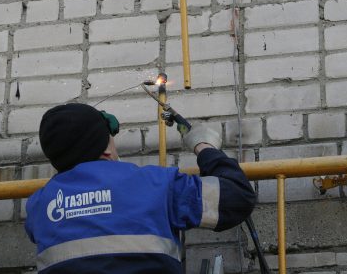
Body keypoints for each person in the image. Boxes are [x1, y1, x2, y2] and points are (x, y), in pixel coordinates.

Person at [25, 103, 256, 274]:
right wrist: (204, 147)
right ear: (105, 148)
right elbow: (237, 197)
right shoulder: (156, 185)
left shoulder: (38, 207)